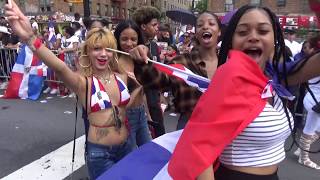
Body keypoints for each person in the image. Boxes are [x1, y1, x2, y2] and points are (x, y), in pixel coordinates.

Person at [167, 5, 320, 180]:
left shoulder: (274, 76)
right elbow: (196, 148)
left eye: (263, 31)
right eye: (242, 32)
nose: (253, 37)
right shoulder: (229, 76)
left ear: (275, 38)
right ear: (231, 40)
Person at [4, 2, 133, 179]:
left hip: (127, 146)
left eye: (107, 49)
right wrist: (30, 37)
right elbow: (59, 67)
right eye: (97, 49)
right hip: (101, 155)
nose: (103, 54)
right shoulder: (83, 83)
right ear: (88, 51)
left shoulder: (122, 75)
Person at [130, 11, 221, 130]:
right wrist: (142, 60)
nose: (205, 26)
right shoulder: (181, 62)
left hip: (222, 126)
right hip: (189, 128)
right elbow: (156, 80)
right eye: (199, 25)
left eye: (211, 23)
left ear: (219, 31)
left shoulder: (228, 63)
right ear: (196, 33)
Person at [114, 19, 152, 148]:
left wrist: (148, 115)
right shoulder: (113, 62)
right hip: (125, 116)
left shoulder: (141, 60)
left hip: (141, 113)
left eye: (133, 39)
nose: (129, 43)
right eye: (124, 39)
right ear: (117, 39)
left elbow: (144, 92)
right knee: (129, 157)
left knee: (147, 152)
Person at [131, 6, 165, 137]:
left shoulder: (154, 46)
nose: (157, 27)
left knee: (160, 136)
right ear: (143, 27)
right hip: (140, 104)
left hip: (154, 100)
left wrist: (160, 94)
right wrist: (147, 112)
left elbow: (155, 74)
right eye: (154, 24)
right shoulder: (134, 50)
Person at [295, 35, 320, 169]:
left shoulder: (312, 60)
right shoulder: (315, 61)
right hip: (315, 101)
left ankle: (302, 148)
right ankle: (303, 158)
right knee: (309, 130)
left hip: (313, 99)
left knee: (316, 130)